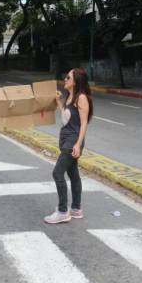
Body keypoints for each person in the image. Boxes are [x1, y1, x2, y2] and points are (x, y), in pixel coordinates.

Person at [44, 68, 93, 224]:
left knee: (57, 173)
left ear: (75, 82)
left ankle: (63, 211)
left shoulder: (82, 98)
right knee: (73, 174)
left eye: (68, 78)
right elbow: (67, 117)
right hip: (66, 140)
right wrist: (59, 102)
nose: (65, 80)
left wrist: (78, 144)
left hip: (72, 142)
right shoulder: (70, 96)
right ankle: (76, 209)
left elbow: (84, 123)